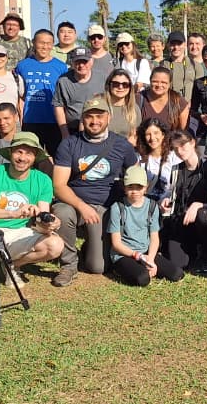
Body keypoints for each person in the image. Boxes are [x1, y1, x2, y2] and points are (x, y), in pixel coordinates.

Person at [0, 132, 64, 310]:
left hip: (20, 233)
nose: (22, 158)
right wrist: (13, 213)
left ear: (35, 157)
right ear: (10, 153)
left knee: (55, 244)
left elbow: (41, 220)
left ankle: (9, 266)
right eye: (19, 152)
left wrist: (50, 223)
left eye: (28, 153)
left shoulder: (43, 180)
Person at [50, 94, 139, 285]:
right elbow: (58, 185)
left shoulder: (121, 145)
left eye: (100, 116)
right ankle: (68, 264)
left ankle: (88, 250)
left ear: (109, 117)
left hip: (104, 207)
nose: (94, 121)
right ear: (83, 118)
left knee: (97, 267)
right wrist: (83, 207)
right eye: (89, 116)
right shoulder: (69, 144)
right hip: (73, 202)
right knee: (62, 212)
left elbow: (135, 177)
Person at [106, 165, 186, 287]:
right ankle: (119, 269)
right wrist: (138, 256)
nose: (135, 192)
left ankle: (142, 266)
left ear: (146, 188)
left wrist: (151, 259)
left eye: (139, 187)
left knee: (177, 274)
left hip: (146, 251)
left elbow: (154, 237)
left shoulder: (152, 206)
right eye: (130, 187)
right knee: (143, 279)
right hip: (124, 254)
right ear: (124, 188)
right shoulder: (117, 208)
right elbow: (116, 244)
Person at [156, 128, 207, 274]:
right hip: (182, 220)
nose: (180, 151)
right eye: (175, 148)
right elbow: (173, 198)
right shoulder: (176, 169)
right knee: (179, 263)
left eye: (183, 145)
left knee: (202, 215)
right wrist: (165, 203)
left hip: (205, 219)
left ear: (192, 143)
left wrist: (197, 205)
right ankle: (191, 251)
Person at [15, 29, 68, 156]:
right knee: (30, 157)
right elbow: (20, 95)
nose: (45, 47)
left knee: (57, 157)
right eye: (41, 43)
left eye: (48, 43)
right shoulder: (22, 65)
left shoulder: (61, 67)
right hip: (30, 120)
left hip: (54, 121)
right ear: (34, 43)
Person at [54, 47, 99, 139]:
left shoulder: (102, 78)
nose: (81, 65)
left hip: (96, 127)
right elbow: (58, 106)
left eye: (84, 61)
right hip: (72, 129)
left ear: (91, 61)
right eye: (78, 62)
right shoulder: (63, 81)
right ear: (72, 63)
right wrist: (65, 133)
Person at [139, 66, 190, 132]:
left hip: (169, 141)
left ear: (169, 84)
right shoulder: (139, 98)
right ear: (150, 81)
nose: (159, 85)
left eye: (163, 82)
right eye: (155, 81)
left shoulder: (179, 102)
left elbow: (183, 132)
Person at [137, 117, 181, 186]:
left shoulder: (173, 156)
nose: (152, 138)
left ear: (163, 135)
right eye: (148, 134)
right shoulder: (139, 157)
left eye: (156, 133)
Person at [104, 68, 142, 146]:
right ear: (109, 85)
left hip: (124, 152)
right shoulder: (101, 105)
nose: (120, 87)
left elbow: (135, 137)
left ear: (130, 87)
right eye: (116, 84)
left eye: (125, 84)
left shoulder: (134, 109)